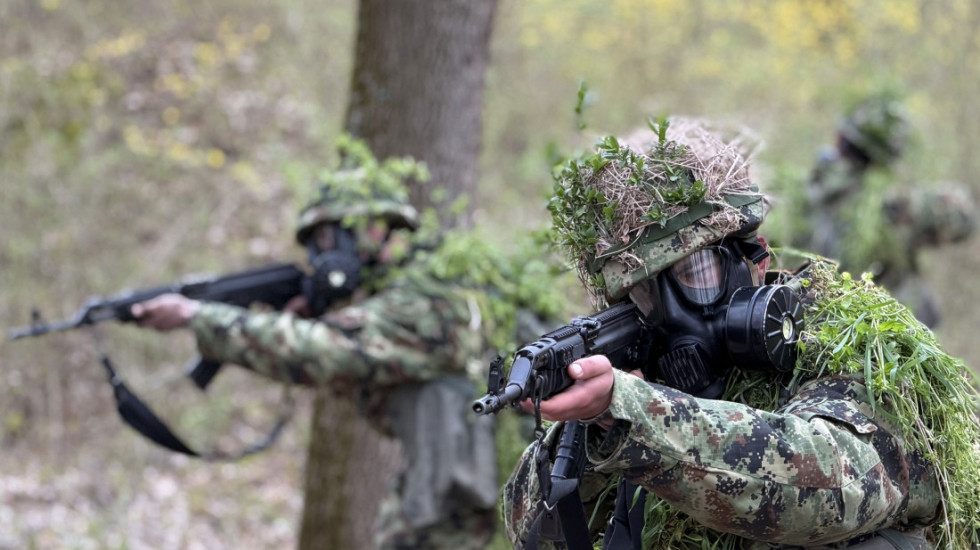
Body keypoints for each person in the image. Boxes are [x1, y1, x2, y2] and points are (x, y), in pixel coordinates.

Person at [502, 117, 980, 549]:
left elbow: (828, 485)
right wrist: (595, 429)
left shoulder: (843, 341)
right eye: (646, 294)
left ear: (756, 257)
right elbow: (530, 529)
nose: (671, 312)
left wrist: (634, 414)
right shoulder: (644, 389)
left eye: (694, 272)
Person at [131, 138, 563, 550]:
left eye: (326, 239)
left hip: (496, 514)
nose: (321, 258)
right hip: (495, 504)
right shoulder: (435, 283)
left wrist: (197, 316)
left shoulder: (430, 299)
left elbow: (328, 351)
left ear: (375, 229)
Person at [804, 93, 975, 328]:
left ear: (842, 138)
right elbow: (963, 217)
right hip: (884, 341)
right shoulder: (890, 207)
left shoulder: (805, 192)